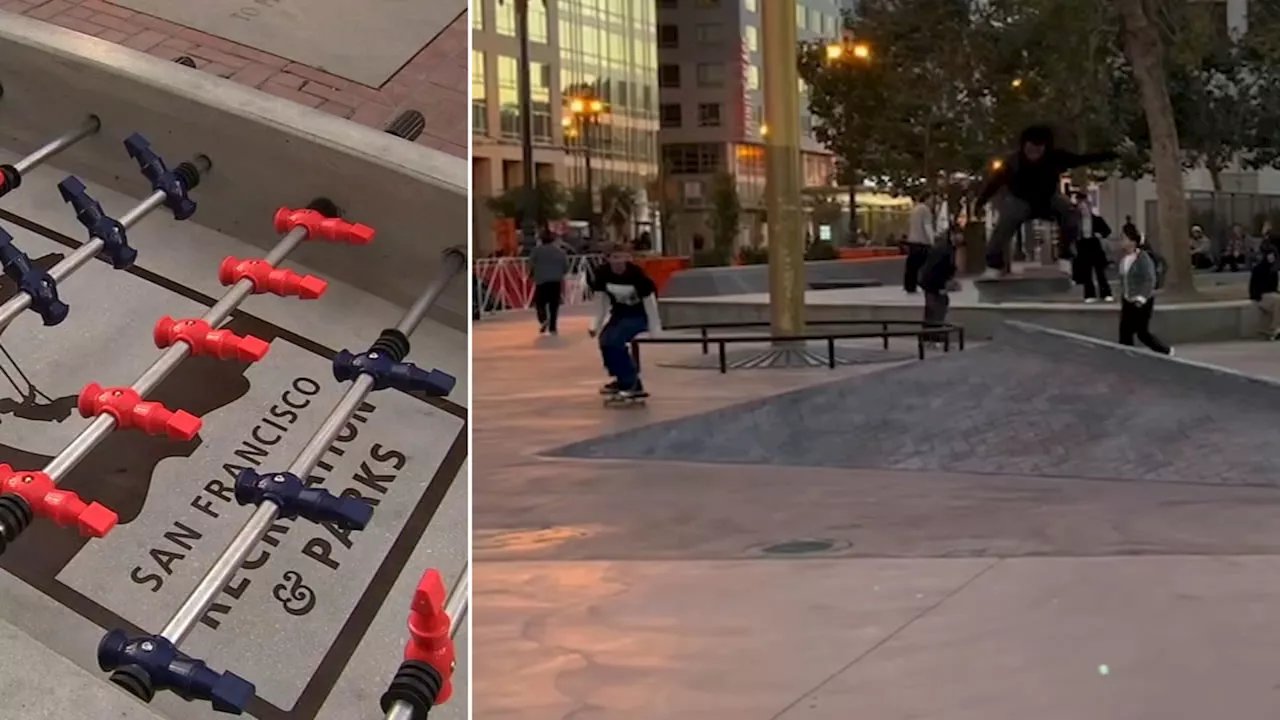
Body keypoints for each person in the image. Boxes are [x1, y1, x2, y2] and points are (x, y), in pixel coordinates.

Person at [975, 125, 1119, 278]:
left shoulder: (1055, 157)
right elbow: (994, 183)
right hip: (1021, 200)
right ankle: (993, 264)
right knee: (1006, 219)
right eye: (1030, 150)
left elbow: (1080, 159)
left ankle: (1065, 256)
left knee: (1070, 212)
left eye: (1038, 151)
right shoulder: (1013, 162)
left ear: (1045, 148)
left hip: (1049, 200)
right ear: (1024, 146)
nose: (1034, 155)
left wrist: (1106, 155)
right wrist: (980, 203)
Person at [588, 247, 662, 397]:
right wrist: (595, 325)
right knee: (604, 340)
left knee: (615, 340)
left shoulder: (637, 275)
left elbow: (650, 303)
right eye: (615, 257)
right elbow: (601, 302)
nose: (619, 262)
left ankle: (631, 381)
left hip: (638, 316)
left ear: (628, 259)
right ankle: (621, 379)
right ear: (608, 259)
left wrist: (655, 329)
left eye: (623, 257)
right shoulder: (603, 274)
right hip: (619, 314)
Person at [1117, 225, 1172, 355]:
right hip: (1128, 299)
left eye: (1124, 238)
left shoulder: (1143, 258)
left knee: (1142, 332)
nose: (1121, 242)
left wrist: (1141, 298)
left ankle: (1166, 351)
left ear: (1132, 241)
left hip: (1142, 300)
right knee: (1125, 332)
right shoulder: (1124, 259)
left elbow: (1149, 279)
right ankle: (1125, 357)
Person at [919, 225, 961, 345]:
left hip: (932, 282)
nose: (960, 237)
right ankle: (933, 337)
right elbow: (936, 269)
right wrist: (941, 285)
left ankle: (930, 337)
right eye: (957, 234)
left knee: (935, 308)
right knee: (936, 309)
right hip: (933, 283)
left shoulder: (947, 248)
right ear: (952, 235)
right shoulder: (944, 250)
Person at [1073, 193, 1113, 302]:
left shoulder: (1096, 219)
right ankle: (1089, 295)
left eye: (1085, 207)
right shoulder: (1077, 221)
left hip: (1094, 244)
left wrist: (1100, 234)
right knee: (1086, 272)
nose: (1083, 210)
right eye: (1081, 208)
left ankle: (1106, 293)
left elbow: (1107, 230)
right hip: (1083, 245)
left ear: (1089, 207)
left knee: (1100, 271)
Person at [528, 228, 569, 334]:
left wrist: (531, 274)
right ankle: (553, 327)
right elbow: (566, 267)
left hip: (541, 280)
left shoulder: (536, 251)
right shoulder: (560, 252)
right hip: (556, 281)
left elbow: (530, 264)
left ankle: (543, 319)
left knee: (540, 303)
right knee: (554, 305)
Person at [903, 190, 936, 293]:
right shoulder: (925, 210)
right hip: (922, 242)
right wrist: (932, 241)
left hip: (912, 241)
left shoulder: (915, 209)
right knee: (927, 265)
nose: (932, 202)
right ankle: (927, 284)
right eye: (931, 199)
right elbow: (927, 227)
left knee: (912, 266)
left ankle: (909, 286)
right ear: (927, 198)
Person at [1250, 246, 1280, 340]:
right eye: (1270, 255)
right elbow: (1253, 285)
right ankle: (1274, 328)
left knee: (1277, 301)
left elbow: (1274, 288)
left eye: (1273, 256)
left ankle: (1273, 329)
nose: (1272, 258)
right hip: (1262, 296)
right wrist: (1256, 297)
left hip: (1272, 296)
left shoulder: (1274, 271)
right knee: (1278, 300)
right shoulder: (1258, 269)